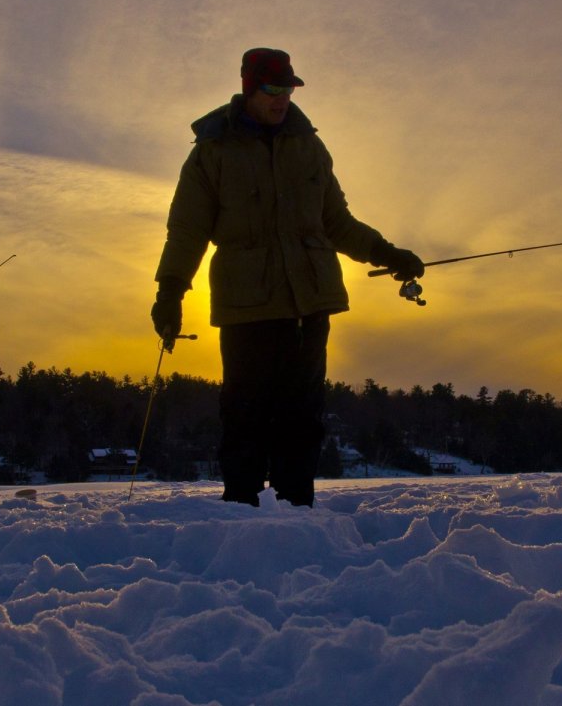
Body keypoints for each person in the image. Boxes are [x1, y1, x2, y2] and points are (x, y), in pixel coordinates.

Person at [151, 48, 423, 507]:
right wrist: (170, 291)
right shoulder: (212, 152)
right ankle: (241, 510)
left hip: (309, 305)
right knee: (245, 414)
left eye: (288, 89)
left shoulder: (309, 147)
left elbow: (336, 222)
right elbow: (187, 231)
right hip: (247, 310)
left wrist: (386, 253)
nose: (282, 99)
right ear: (249, 89)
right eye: (272, 90)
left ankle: (297, 511)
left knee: (303, 417)